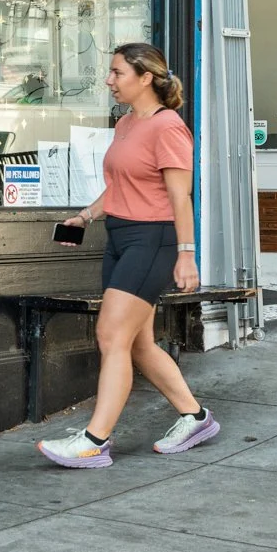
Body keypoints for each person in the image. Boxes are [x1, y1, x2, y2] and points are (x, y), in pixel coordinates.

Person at [37, 43, 219, 467]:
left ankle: (94, 440)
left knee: (111, 336)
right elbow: (119, 187)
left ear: (146, 78)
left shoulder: (168, 127)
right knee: (136, 342)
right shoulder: (125, 126)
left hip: (152, 240)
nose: (109, 80)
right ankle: (196, 417)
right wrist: (85, 216)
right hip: (120, 237)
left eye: (117, 73)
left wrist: (187, 254)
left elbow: (180, 196)